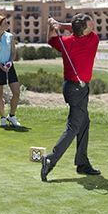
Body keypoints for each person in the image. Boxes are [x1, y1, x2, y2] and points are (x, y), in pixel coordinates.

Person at [41, 13, 101, 182]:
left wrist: (54, 26)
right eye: (90, 26)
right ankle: (50, 159)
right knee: (74, 126)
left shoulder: (66, 43)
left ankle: (82, 163)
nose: (93, 27)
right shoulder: (93, 40)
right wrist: (60, 25)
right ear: (84, 31)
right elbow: (73, 28)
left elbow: (51, 39)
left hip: (70, 87)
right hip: (78, 90)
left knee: (84, 122)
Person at [0, 15, 21, 127]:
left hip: (9, 66)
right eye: (6, 23)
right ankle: (2, 117)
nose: (8, 25)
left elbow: (13, 52)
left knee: (16, 92)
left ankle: (11, 115)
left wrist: (9, 63)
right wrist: (2, 67)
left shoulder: (10, 36)